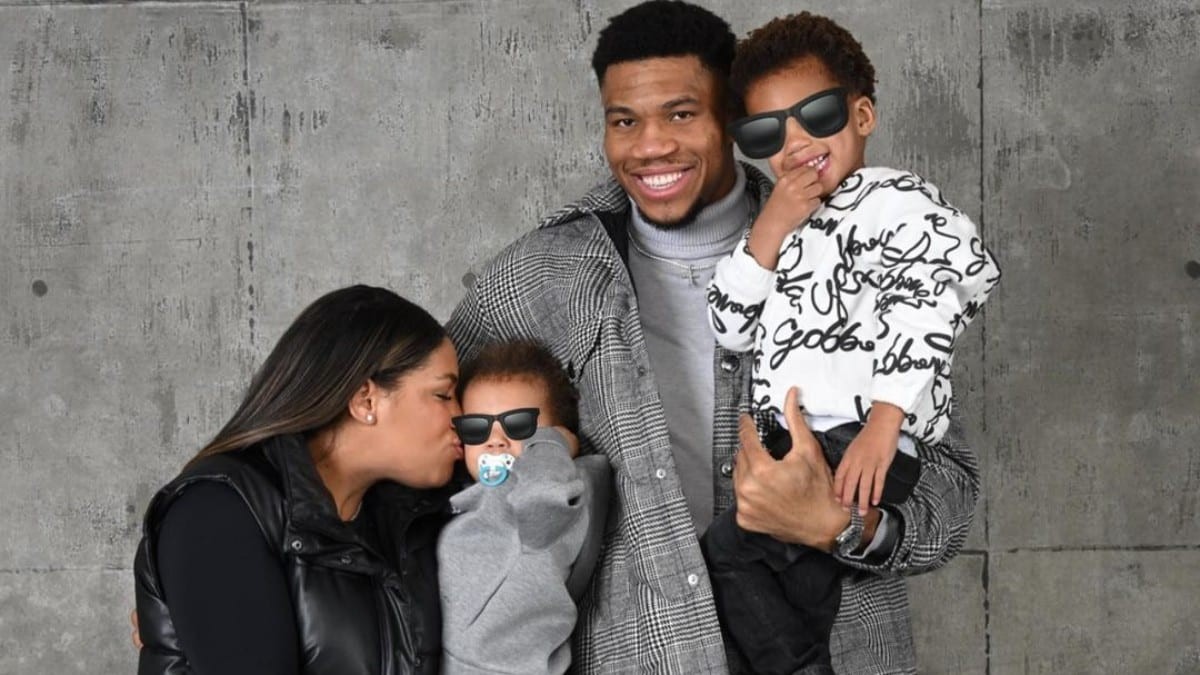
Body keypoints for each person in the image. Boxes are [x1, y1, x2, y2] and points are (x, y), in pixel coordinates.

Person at [446, 1, 982, 672]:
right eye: (624, 121)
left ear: (731, 119)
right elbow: (426, 453)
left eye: (680, 114)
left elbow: (950, 492)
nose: (650, 146)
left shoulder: (853, 247)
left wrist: (840, 524)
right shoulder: (543, 278)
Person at [701, 12, 1001, 674]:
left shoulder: (896, 203)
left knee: (729, 553)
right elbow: (729, 325)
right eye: (767, 132)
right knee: (801, 587)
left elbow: (928, 305)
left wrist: (884, 425)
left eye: (817, 115)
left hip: (859, 441)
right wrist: (769, 231)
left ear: (862, 115)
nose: (796, 143)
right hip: (806, 444)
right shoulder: (783, 228)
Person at [132, 285, 464, 675]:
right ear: (366, 400)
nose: (462, 418)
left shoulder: (405, 525)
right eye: (444, 395)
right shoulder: (218, 511)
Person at [438, 339, 610, 675]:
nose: (495, 441)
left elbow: (544, 501)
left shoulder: (551, 495)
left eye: (518, 426)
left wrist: (550, 445)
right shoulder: (467, 502)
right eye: (477, 428)